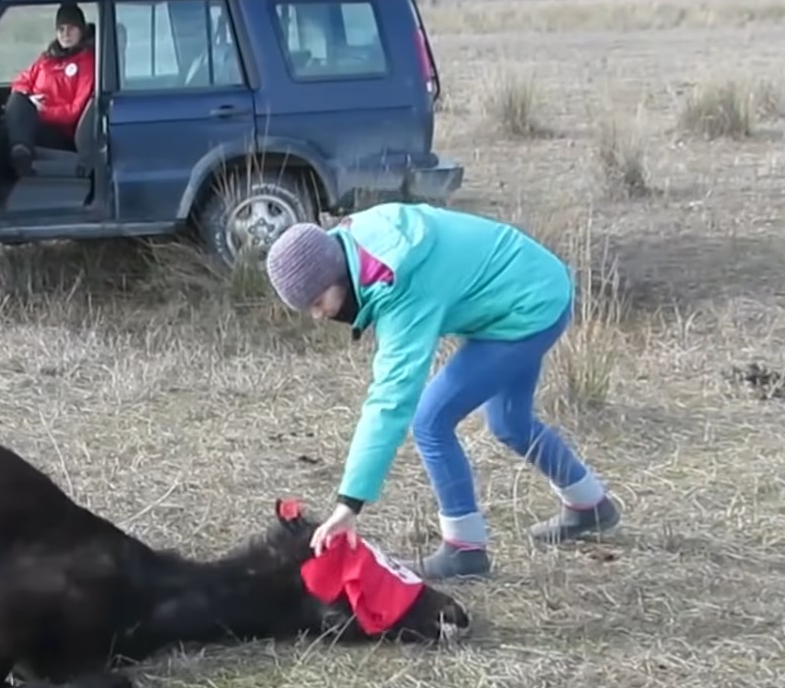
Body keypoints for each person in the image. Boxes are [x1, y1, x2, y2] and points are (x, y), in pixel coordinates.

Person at [264, 202, 622, 581]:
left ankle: (464, 549)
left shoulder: (399, 283)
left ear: (336, 274)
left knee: (431, 420)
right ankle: (590, 505)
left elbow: (390, 400)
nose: (319, 315)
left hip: (528, 305)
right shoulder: (358, 238)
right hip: (534, 281)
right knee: (509, 422)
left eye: (318, 302)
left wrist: (348, 505)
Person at [3, 2, 96, 178]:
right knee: (16, 100)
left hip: (60, 131)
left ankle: (19, 158)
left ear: (81, 30)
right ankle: (20, 153)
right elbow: (22, 81)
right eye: (61, 29)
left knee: (4, 136)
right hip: (36, 117)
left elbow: (74, 111)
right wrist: (29, 100)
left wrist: (40, 111)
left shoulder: (87, 62)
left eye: (71, 28)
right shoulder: (48, 58)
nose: (65, 34)